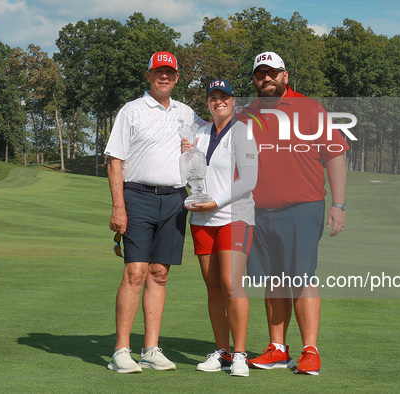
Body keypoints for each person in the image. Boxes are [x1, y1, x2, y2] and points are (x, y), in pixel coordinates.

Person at [243, 52, 349, 376]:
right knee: (273, 279)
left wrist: (339, 204)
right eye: (261, 74)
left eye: (273, 73)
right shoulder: (246, 116)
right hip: (259, 211)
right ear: (255, 79)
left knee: (301, 277)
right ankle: (277, 349)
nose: (267, 79)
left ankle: (310, 351)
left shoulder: (309, 108)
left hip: (303, 208)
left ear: (285, 76)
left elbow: (335, 155)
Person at [104, 51, 205, 373]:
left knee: (159, 274)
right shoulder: (131, 111)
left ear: (177, 78)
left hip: (175, 199)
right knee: (135, 272)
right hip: (137, 196)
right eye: (158, 72)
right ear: (148, 75)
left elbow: (217, 130)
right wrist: (119, 207)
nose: (164, 77)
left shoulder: (186, 113)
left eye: (170, 73)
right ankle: (121, 350)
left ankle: (150, 349)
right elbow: (115, 161)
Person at [183, 79, 258, 377]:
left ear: (233, 100)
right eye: (213, 97)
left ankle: (240, 354)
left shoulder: (243, 132)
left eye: (223, 96)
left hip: (233, 216)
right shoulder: (199, 133)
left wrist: (214, 202)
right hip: (201, 220)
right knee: (213, 287)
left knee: (231, 284)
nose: (218, 102)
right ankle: (222, 351)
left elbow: (248, 181)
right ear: (208, 103)